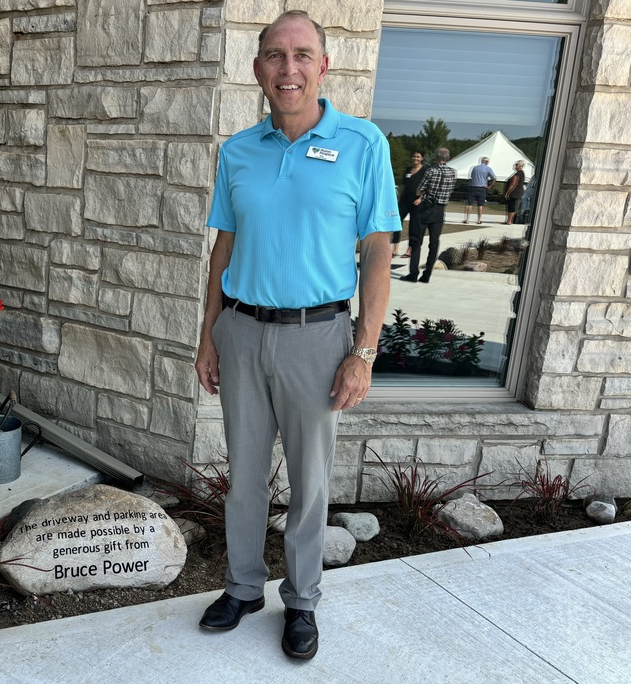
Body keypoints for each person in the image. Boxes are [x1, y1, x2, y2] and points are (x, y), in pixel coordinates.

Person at [193, 10, 396, 661]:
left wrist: (362, 352)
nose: (289, 69)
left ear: (323, 66)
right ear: (258, 70)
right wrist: (208, 336)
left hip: (319, 335)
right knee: (245, 475)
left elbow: (379, 253)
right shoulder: (238, 152)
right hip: (243, 333)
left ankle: (302, 601)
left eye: (302, 55)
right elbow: (224, 247)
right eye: (275, 57)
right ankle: (244, 587)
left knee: (309, 482)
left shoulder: (363, 145)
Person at [400, 147, 457, 283]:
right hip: (440, 210)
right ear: (448, 158)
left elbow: (420, 190)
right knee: (434, 242)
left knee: (416, 240)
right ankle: (427, 274)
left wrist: (423, 193)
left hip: (425, 208)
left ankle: (413, 273)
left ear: (436, 158)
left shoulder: (431, 171)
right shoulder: (453, 172)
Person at [394, 151, 426, 257]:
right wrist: (398, 199)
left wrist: (421, 198)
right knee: (397, 222)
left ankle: (409, 249)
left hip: (416, 201)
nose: (415, 158)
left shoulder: (425, 171)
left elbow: (427, 187)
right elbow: (403, 185)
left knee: (414, 225)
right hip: (404, 200)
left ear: (422, 158)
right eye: (414, 156)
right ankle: (395, 248)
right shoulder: (408, 170)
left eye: (418, 156)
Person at [463, 156, 496, 224]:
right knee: (480, 205)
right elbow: (494, 178)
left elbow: (472, 176)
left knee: (470, 204)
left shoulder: (475, 168)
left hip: (473, 187)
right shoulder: (488, 168)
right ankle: (478, 220)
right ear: (486, 162)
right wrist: (489, 186)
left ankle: (467, 219)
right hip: (482, 187)